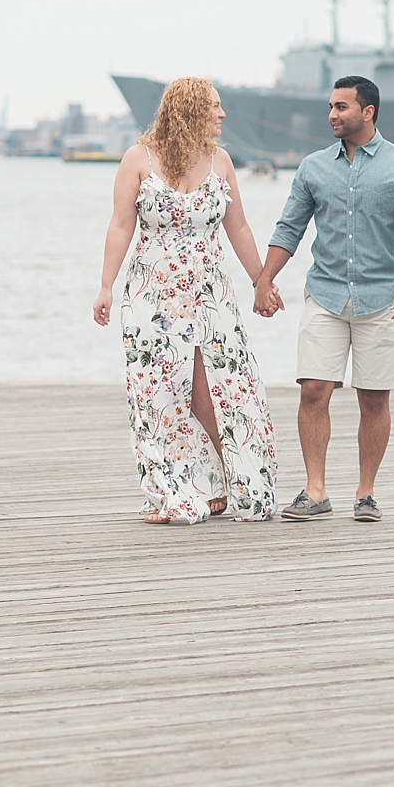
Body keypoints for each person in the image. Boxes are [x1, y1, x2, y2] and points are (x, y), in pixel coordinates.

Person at [93, 77, 280, 524]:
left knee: (219, 391)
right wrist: (105, 285)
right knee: (158, 395)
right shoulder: (138, 159)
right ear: (191, 109)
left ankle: (230, 482)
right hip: (151, 297)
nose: (222, 115)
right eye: (215, 107)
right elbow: (121, 226)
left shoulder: (222, 161)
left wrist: (262, 280)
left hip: (209, 294)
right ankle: (177, 489)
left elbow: (238, 227)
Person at [256, 76, 394, 523]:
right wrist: (264, 279)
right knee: (314, 389)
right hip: (326, 294)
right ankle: (315, 490)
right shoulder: (313, 167)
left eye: (341, 107)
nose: (332, 115)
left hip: (382, 299)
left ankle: (366, 493)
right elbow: (289, 228)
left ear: (367, 111)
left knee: (373, 399)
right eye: (330, 107)